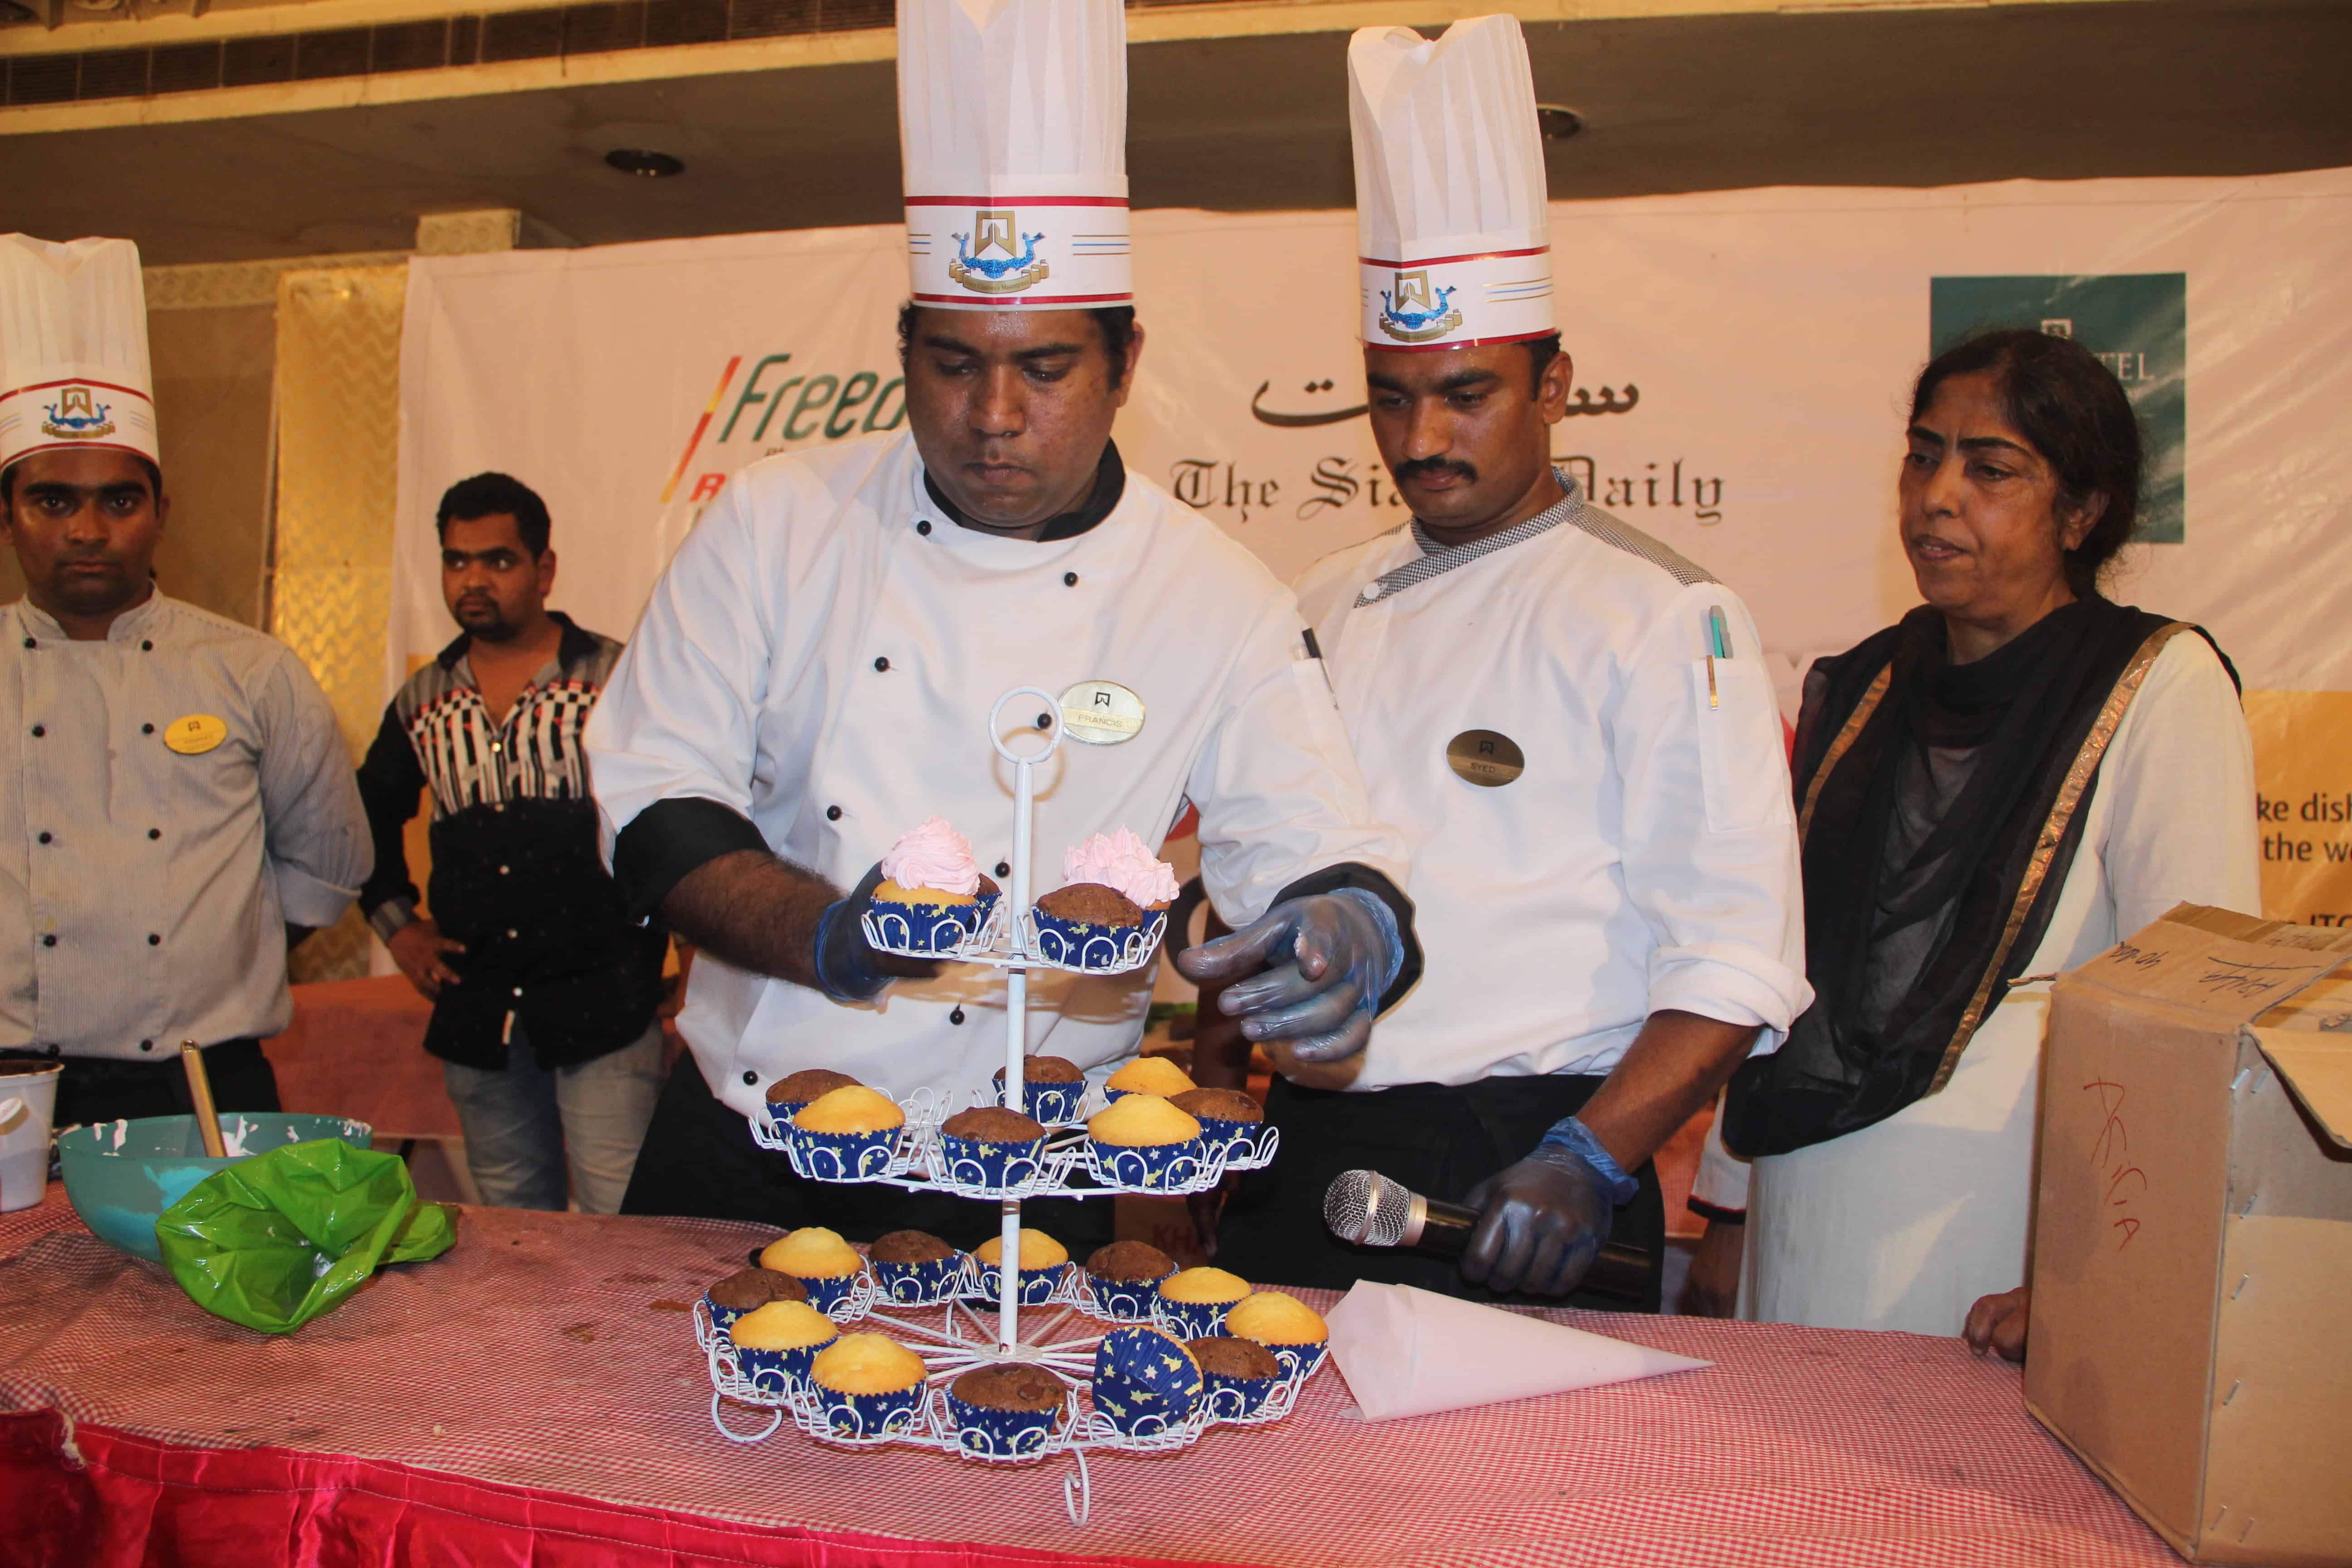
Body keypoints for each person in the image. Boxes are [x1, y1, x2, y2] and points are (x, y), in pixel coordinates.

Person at [585, 0, 1417, 1246]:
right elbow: (656, 800)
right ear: (904, 352)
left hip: (1033, 1177)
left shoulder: (1216, 598)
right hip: (750, 1144)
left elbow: (1307, 836)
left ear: (1125, 365)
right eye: (954, 362)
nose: (992, 415)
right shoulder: (776, 523)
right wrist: (831, 935)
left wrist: (1351, 925)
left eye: (1044, 368)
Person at [1191, 18, 1809, 1312]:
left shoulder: (1665, 613)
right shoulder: (1318, 598)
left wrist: (1592, 1156)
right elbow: (1251, 884)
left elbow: (1736, 958)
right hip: (1305, 1149)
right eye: (1390, 395)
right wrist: (1210, 1093)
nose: (1421, 438)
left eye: (1466, 394)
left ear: (1556, 385)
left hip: (1524, 1163)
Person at [1687, 328, 2259, 1344]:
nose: (1937, 496)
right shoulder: (1862, 687)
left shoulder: (2160, 685)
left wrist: (2103, 1280)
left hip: (2011, 1233)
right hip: (1801, 1210)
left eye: (1991, 469)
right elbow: (1788, 965)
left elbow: (2199, 1015)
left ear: (2082, 512)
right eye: (1924, 457)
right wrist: (1729, 1204)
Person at [0, 233, 370, 1126]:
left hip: (201, 1082)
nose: (88, 529)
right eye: (53, 500)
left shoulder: (252, 670)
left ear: (160, 514)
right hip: (11, 1083)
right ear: (7, 517)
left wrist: (213, 958)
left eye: (119, 500)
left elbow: (327, 869)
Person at [356, 473, 671, 1213]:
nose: (474, 580)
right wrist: (398, 928)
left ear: (544, 569)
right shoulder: (424, 699)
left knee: (619, 1215)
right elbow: (361, 820)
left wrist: (687, 953)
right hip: (480, 1006)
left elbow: (672, 813)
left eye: (498, 561)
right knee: (509, 1224)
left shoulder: (613, 677)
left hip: (606, 1001)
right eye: (457, 561)